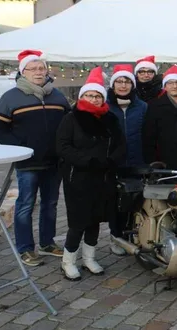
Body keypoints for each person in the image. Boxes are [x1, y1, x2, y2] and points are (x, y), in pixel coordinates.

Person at [0, 49, 70, 266]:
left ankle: (47, 243)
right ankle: (25, 248)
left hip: (54, 161)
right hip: (28, 163)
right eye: (32, 68)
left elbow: (69, 124)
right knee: (25, 204)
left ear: (47, 71)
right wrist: (19, 147)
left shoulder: (57, 95)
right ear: (22, 71)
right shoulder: (11, 97)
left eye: (41, 68)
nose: (38, 72)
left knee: (50, 204)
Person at [56, 67, 126, 280]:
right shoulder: (71, 119)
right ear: (82, 96)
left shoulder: (110, 119)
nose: (94, 99)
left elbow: (120, 144)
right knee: (78, 222)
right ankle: (68, 261)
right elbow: (63, 146)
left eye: (97, 96)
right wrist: (88, 161)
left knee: (95, 220)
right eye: (89, 95)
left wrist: (111, 160)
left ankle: (89, 258)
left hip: (103, 177)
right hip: (78, 177)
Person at [106, 64, 148, 255]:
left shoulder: (142, 107)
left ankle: (136, 234)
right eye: (119, 82)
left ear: (132, 84)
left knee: (136, 200)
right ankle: (117, 236)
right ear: (113, 85)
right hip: (113, 163)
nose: (123, 86)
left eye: (127, 82)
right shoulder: (105, 107)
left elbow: (148, 133)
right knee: (116, 203)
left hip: (136, 161)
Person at [143, 65, 177, 170]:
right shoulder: (154, 106)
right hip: (165, 161)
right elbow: (148, 136)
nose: (175, 86)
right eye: (170, 83)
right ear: (165, 86)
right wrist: (152, 161)